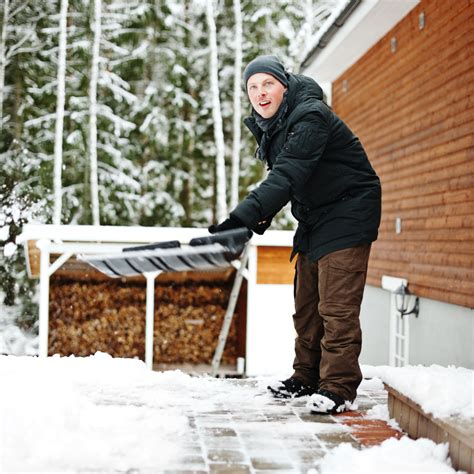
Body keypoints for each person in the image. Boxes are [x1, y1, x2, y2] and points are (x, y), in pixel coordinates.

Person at [208, 55, 381, 414]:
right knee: (306, 306)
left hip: (349, 210)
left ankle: (338, 387)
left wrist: (241, 217)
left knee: (336, 307)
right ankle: (305, 377)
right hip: (315, 216)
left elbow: (286, 176)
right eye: (252, 87)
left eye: (267, 83)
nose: (260, 93)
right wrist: (251, 224)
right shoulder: (276, 126)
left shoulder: (309, 116)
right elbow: (289, 183)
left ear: (284, 85)